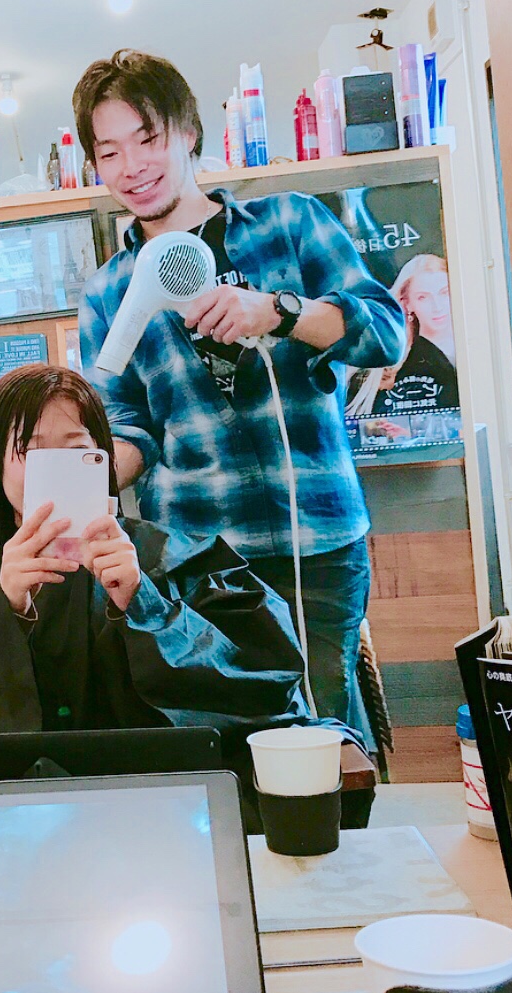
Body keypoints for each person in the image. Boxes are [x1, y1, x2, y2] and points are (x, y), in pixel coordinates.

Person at [72, 50, 406, 741]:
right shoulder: (108, 293)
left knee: (324, 741)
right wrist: (70, 484)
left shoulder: (291, 224)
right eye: (109, 152)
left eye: (147, 139)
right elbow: (126, 428)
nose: (132, 166)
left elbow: (385, 333)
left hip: (317, 542)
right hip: (198, 559)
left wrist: (279, 312)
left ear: (189, 132)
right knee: (221, 740)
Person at [0, 364, 333, 776]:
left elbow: (266, 682)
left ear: (101, 458)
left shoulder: (179, 559)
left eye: (74, 447)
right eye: (31, 449)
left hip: (159, 802)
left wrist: (144, 605)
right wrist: (4, 615)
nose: (55, 464)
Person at [346, 254, 458, 419]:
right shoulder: (388, 362)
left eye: (444, 292)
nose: (437, 306)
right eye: (423, 297)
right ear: (407, 303)